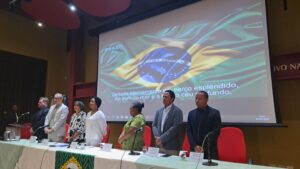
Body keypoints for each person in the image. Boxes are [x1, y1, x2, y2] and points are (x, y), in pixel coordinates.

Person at [187, 91, 222, 159]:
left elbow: (216, 132)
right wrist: (194, 146)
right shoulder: (191, 113)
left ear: (206, 100)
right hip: (195, 150)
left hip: (209, 151)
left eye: (200, 99)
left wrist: (203, 147)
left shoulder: (214, 113)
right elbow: (189, 131)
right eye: (196, 98)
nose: (197, 101)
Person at [152, 90, 183, 155]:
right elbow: (154, 125)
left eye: (166, 97)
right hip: (158, 146)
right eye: (163, 97)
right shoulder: (159, 111)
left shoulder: (177, 111)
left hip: (171, 147)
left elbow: (175, 128)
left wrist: (161, 138)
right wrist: (158, 137)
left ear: (172, 99)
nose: (164, 98)